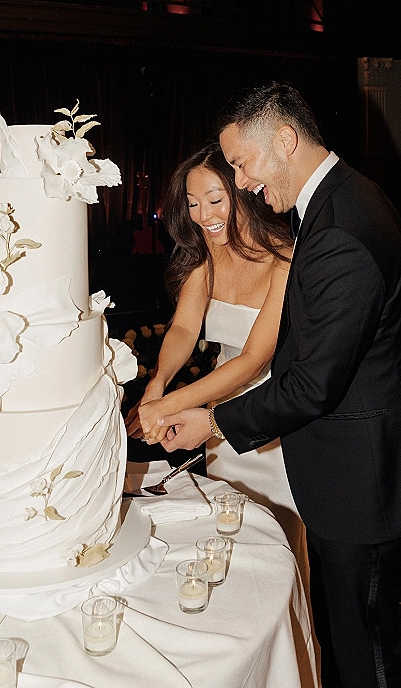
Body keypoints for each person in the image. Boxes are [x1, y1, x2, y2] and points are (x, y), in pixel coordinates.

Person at [157, 82, 401, 688]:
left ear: (286, 140)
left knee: (365, 650)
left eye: (241, 164)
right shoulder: (344, 202)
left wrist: (212, 420)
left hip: (362, 482)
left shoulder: (339, 231)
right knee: (349, 637)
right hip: (352, 466)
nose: (240, 184)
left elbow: (314, 383)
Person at [124, 141, 305, 553]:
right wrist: (157, 386)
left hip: (272, 420)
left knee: (278, 542)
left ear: (242, 193)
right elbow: (184, 329)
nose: (203, 215)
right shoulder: (206, 257)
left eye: (214, 199)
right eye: (192, 203)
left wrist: (170, 407)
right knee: (227, 531)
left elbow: (253, 360)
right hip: (216, 423)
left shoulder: (285, 260)